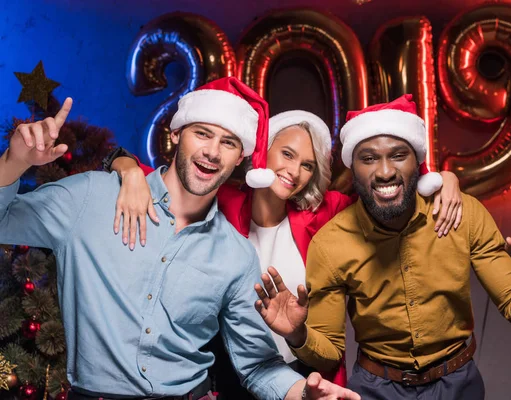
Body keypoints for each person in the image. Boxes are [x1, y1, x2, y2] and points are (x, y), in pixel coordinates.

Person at [0, 77, 359, 400]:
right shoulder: (91, 198)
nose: (213, 152)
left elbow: (257, 366)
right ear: (174, 134)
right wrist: (14, 162)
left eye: (229, 142)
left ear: (240, 159)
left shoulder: (236, 254)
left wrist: (305, 394)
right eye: (201, 133)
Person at [107, 108, 463, 398]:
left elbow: (385, 192)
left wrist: (445, 179)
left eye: (308, 165)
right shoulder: (223, 199)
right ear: (264, 152)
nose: (294, 171)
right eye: (287, 154)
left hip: (303, 374)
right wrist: (125, 167)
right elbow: (155, 174)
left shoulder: (326, 212)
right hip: (231, 374)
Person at [252, 94, 511, 400]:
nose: (385, 171)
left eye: (398, 155)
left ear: (417, 162)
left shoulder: (463, 214)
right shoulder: (332, 241)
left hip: (459, 384)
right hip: (376, 389)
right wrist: (297, 335)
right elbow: (329, 353)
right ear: (353, 170)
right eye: (368, 158)